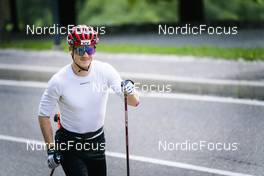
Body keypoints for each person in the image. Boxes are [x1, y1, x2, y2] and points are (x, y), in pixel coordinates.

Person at [38, 25, 139, 176]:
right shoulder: (58, 81)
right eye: (80, 50)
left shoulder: (105, 71)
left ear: (94, 50)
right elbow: (43, 114)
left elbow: (133, 102)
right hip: (70, 144)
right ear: (71, 51)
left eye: (90, 49)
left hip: (97, 142)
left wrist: (130, 91)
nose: (85, 54)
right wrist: (51, 149)